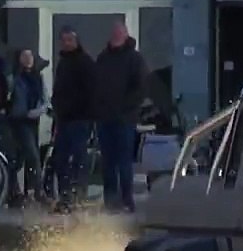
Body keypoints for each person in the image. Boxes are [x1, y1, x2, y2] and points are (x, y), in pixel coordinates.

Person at [93, 20, 148, 213]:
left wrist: (125, 109)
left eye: (120, 32)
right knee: (108, 161)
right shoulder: (103, 58)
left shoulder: (135, 59)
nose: (116, 36)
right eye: (114, 32)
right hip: (104, 118)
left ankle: (127, 199)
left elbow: (140, 88)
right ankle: (110, 200)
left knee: (124, 160)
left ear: (125, 35)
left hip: (124, 119)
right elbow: (96, 86)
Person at [50, 26, 97, 212]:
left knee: (79, 157)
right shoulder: (63, 63)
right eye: (64, 40)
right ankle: (65, 195)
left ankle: (79, 194)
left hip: (80, 118)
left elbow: (92, 91)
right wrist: (56, 106)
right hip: (64, 119)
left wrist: (88, 113)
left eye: (70, 40)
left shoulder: (85, 62)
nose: (67, 43)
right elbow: (59, 89)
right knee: (60, 159)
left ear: (76, 41)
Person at [8, 48, 49, 206]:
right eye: (24, 56)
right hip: (19, 121)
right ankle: (37, 191)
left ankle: (22, 192)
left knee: (20, 158)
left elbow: (45, 98)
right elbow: (11, 99)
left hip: (33, 120)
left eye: (30, 56)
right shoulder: (15, 78)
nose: (27, 59)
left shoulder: (38, 77)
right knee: (31, 155)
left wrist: (39, 110)